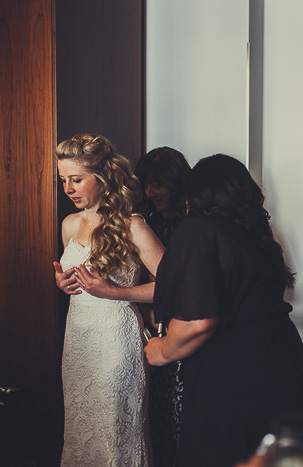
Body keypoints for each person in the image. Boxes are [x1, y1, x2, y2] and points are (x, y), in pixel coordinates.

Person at [144, 154, 303, 466]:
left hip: (236, 378)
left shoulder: (198, 229)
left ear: (196, 194)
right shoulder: (256, 236)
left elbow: (197, 322)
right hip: (285, 361)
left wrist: (161, 351)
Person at [53, 133, 165, 466]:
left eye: (76, 179)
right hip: (77, 341)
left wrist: (114, 292)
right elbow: (81, 279)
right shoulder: (70, 224)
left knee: (114, 430)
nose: (68, 188)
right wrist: (65, 283)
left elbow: (174, 285)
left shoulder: (133, 226)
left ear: (102, 178)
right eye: (63, 180)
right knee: (80, 428)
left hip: (116, 342)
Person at [134, 146, 191, 467]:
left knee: (179, 410)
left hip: (181, 327)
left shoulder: (192, 225)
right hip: (146, 327)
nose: (150, 191)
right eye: (145, 184)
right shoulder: (146, 221)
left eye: (158, 183)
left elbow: (182, 285)